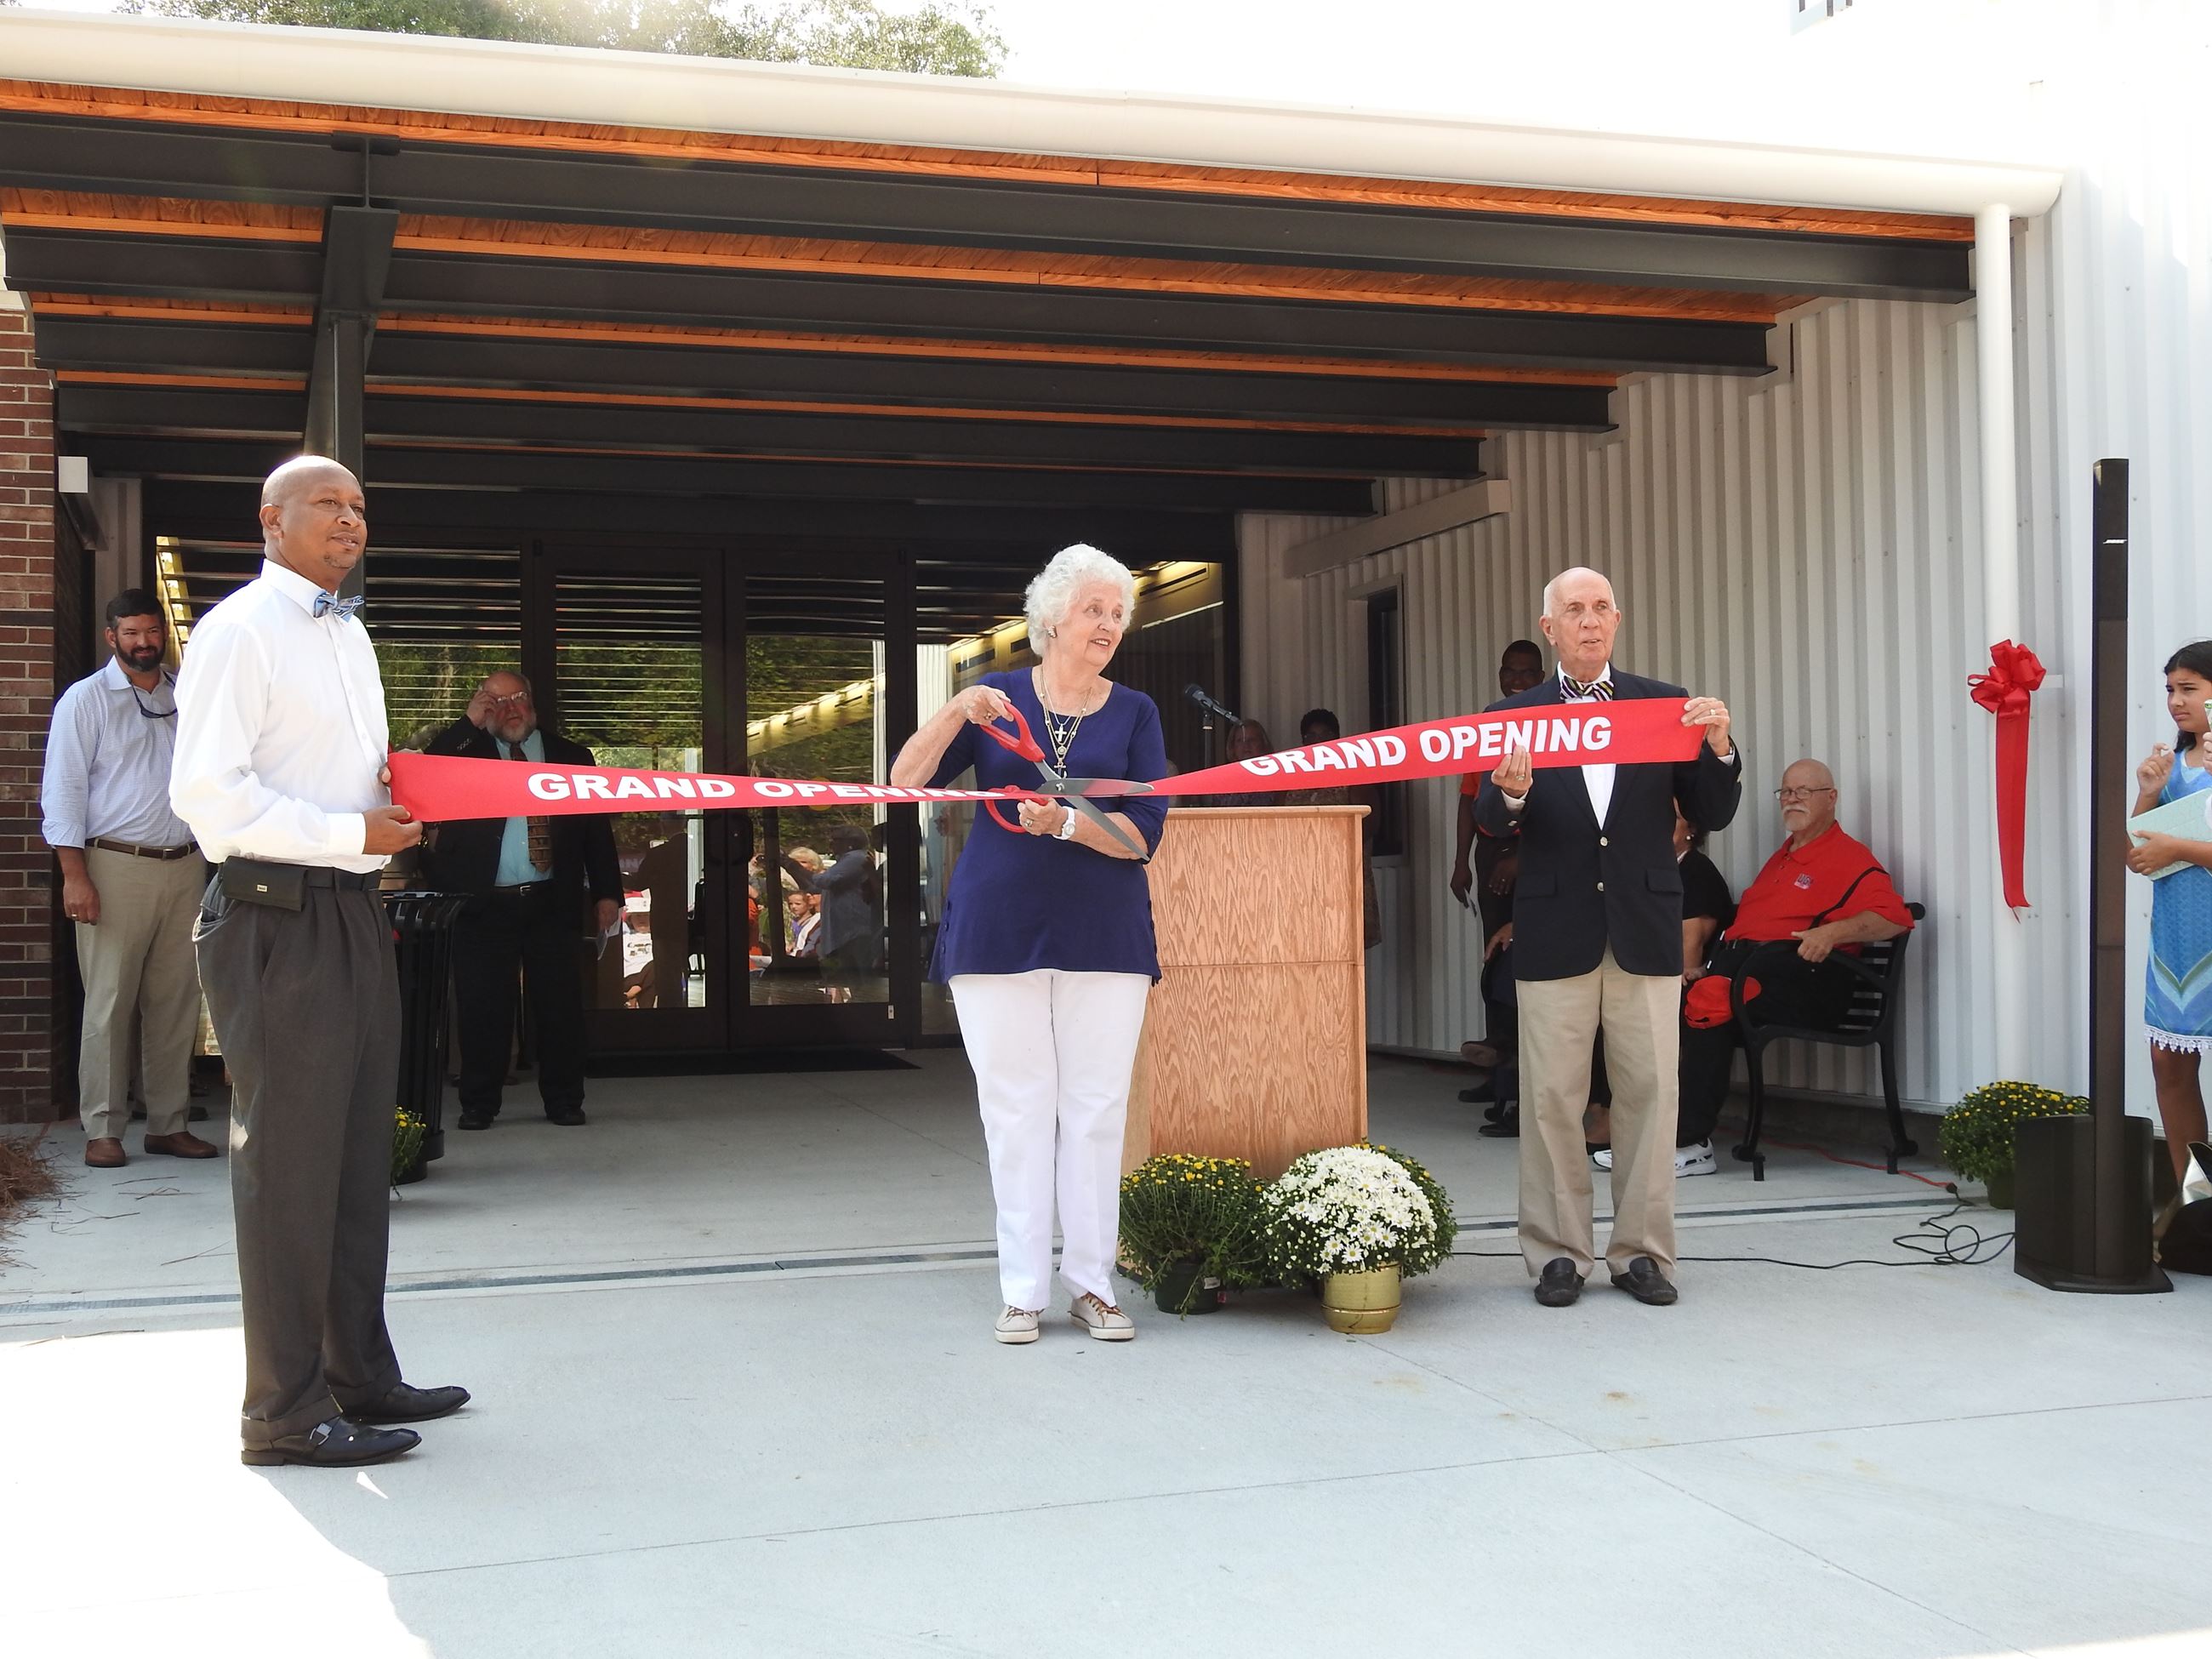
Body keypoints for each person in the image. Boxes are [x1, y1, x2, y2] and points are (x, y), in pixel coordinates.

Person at [171, 455, 464, 1468]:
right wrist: (352, 831)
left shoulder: (350, 634)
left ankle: (357, 1372)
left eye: (360, 509)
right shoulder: (239, 631)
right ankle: (282, 1414)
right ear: (271, 519)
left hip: (346, 906)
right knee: (291, 1166)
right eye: (328, 506)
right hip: (275, 914)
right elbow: (208, 799)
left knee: (352, 1157)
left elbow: (344, 778)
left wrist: (396, 803)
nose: (350, 522)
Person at [891, 542, 1168, 1346]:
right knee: (1016, 1111)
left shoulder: (1136, 712)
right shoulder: (999, 697)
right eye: (1093, 610)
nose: (1108, 624)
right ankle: (1022, 1291)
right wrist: (955, 710)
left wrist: (1074, 825)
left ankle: (1093, 1285)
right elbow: (907, 780)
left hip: (1106, 933)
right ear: (1051, 619)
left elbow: (1147, 833)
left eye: (1117, 613)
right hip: (997, 929)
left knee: (1094, 1111)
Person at [1474, 567, 1741, 1309]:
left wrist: (1719, 747)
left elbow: (1710, 811)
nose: (1588, 621)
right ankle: (1558, 1254)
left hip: (1643, 927)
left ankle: (1642, 1254)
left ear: (1616, 620)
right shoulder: (1514, 712)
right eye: (1573, 611)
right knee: (1552, 1098)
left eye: (1599, 609)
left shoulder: (1663, 704)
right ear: (1550, 626)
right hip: (1557, 927)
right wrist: (1515, 792)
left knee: (1651, 1095)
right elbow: (1492, 824)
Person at [42, 589, 216, 1168]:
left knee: (175, 1001)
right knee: (111, 1002)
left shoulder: (186, 694)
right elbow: (63, 793)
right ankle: (104, 1128)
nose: (143, 643)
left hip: (186, 863)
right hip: (114, 865)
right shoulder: (84, 701)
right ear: (110, 637)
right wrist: (75, 876)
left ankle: (168, 1123)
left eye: (151, 632)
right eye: (131, 634)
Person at [1676, 760, 1912, 1167]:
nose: (1792, 800)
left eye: (1804, 791)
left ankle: (1690, 1145)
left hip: (1808, 985)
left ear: (1831, 798)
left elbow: (1894, 917)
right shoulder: (1783, 857)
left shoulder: (1847, 857)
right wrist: (1710, 967)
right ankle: (1645, 1131)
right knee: (1654, 1003)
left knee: (1710, 1001)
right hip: (1750, 972)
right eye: (1786, 792)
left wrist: (1830, 934)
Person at [422, 671, 621, 1130]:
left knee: (560, 1007)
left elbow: (596, 829)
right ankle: (479, 1103)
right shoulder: (466, 753)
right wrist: (469, 722)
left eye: (518, 698)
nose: (509, 708)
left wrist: (607, 891)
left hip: (552, 899)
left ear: (532, 702)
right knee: (482, 1007)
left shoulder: (571, 757)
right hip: (483, 901)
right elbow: (428, 774)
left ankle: (565, 1100)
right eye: (496, 701)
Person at [1593, 807, 1736, 1176]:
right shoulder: (1652, 869)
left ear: (1691, 828)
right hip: (1645, 971)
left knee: (1635, 1009)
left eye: (1669, 817)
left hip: (1685, 979)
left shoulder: (1696, 872)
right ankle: (1612, 1113)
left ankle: (1650, 1130)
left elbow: (1689, 954)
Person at [2125, 641, 2212, 1184]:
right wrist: (2148, 795)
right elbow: (2137, 857)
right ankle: (2196, 1204)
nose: (2176, 702)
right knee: (2170, 1069)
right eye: (2170, 691)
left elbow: (2170, 852)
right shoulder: (2173, 766)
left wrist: (2179, 849)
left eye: (2190, 689)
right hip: (2180, 944)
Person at [1451, 639, 1548, 1118]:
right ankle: (1498, 1072)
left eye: (1528, 673)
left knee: (1529, 966)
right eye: (1509, 672)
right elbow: (1469, 800)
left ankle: (1523, 1081)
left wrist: (1522, 858)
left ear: (1542, 676)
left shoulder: (1552, 726)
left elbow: (1557, 813)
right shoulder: (1487, 727)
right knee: (1494, 960)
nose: (1517, 681)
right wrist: (1460, 861)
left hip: (1535, 856)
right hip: (1490, 851)